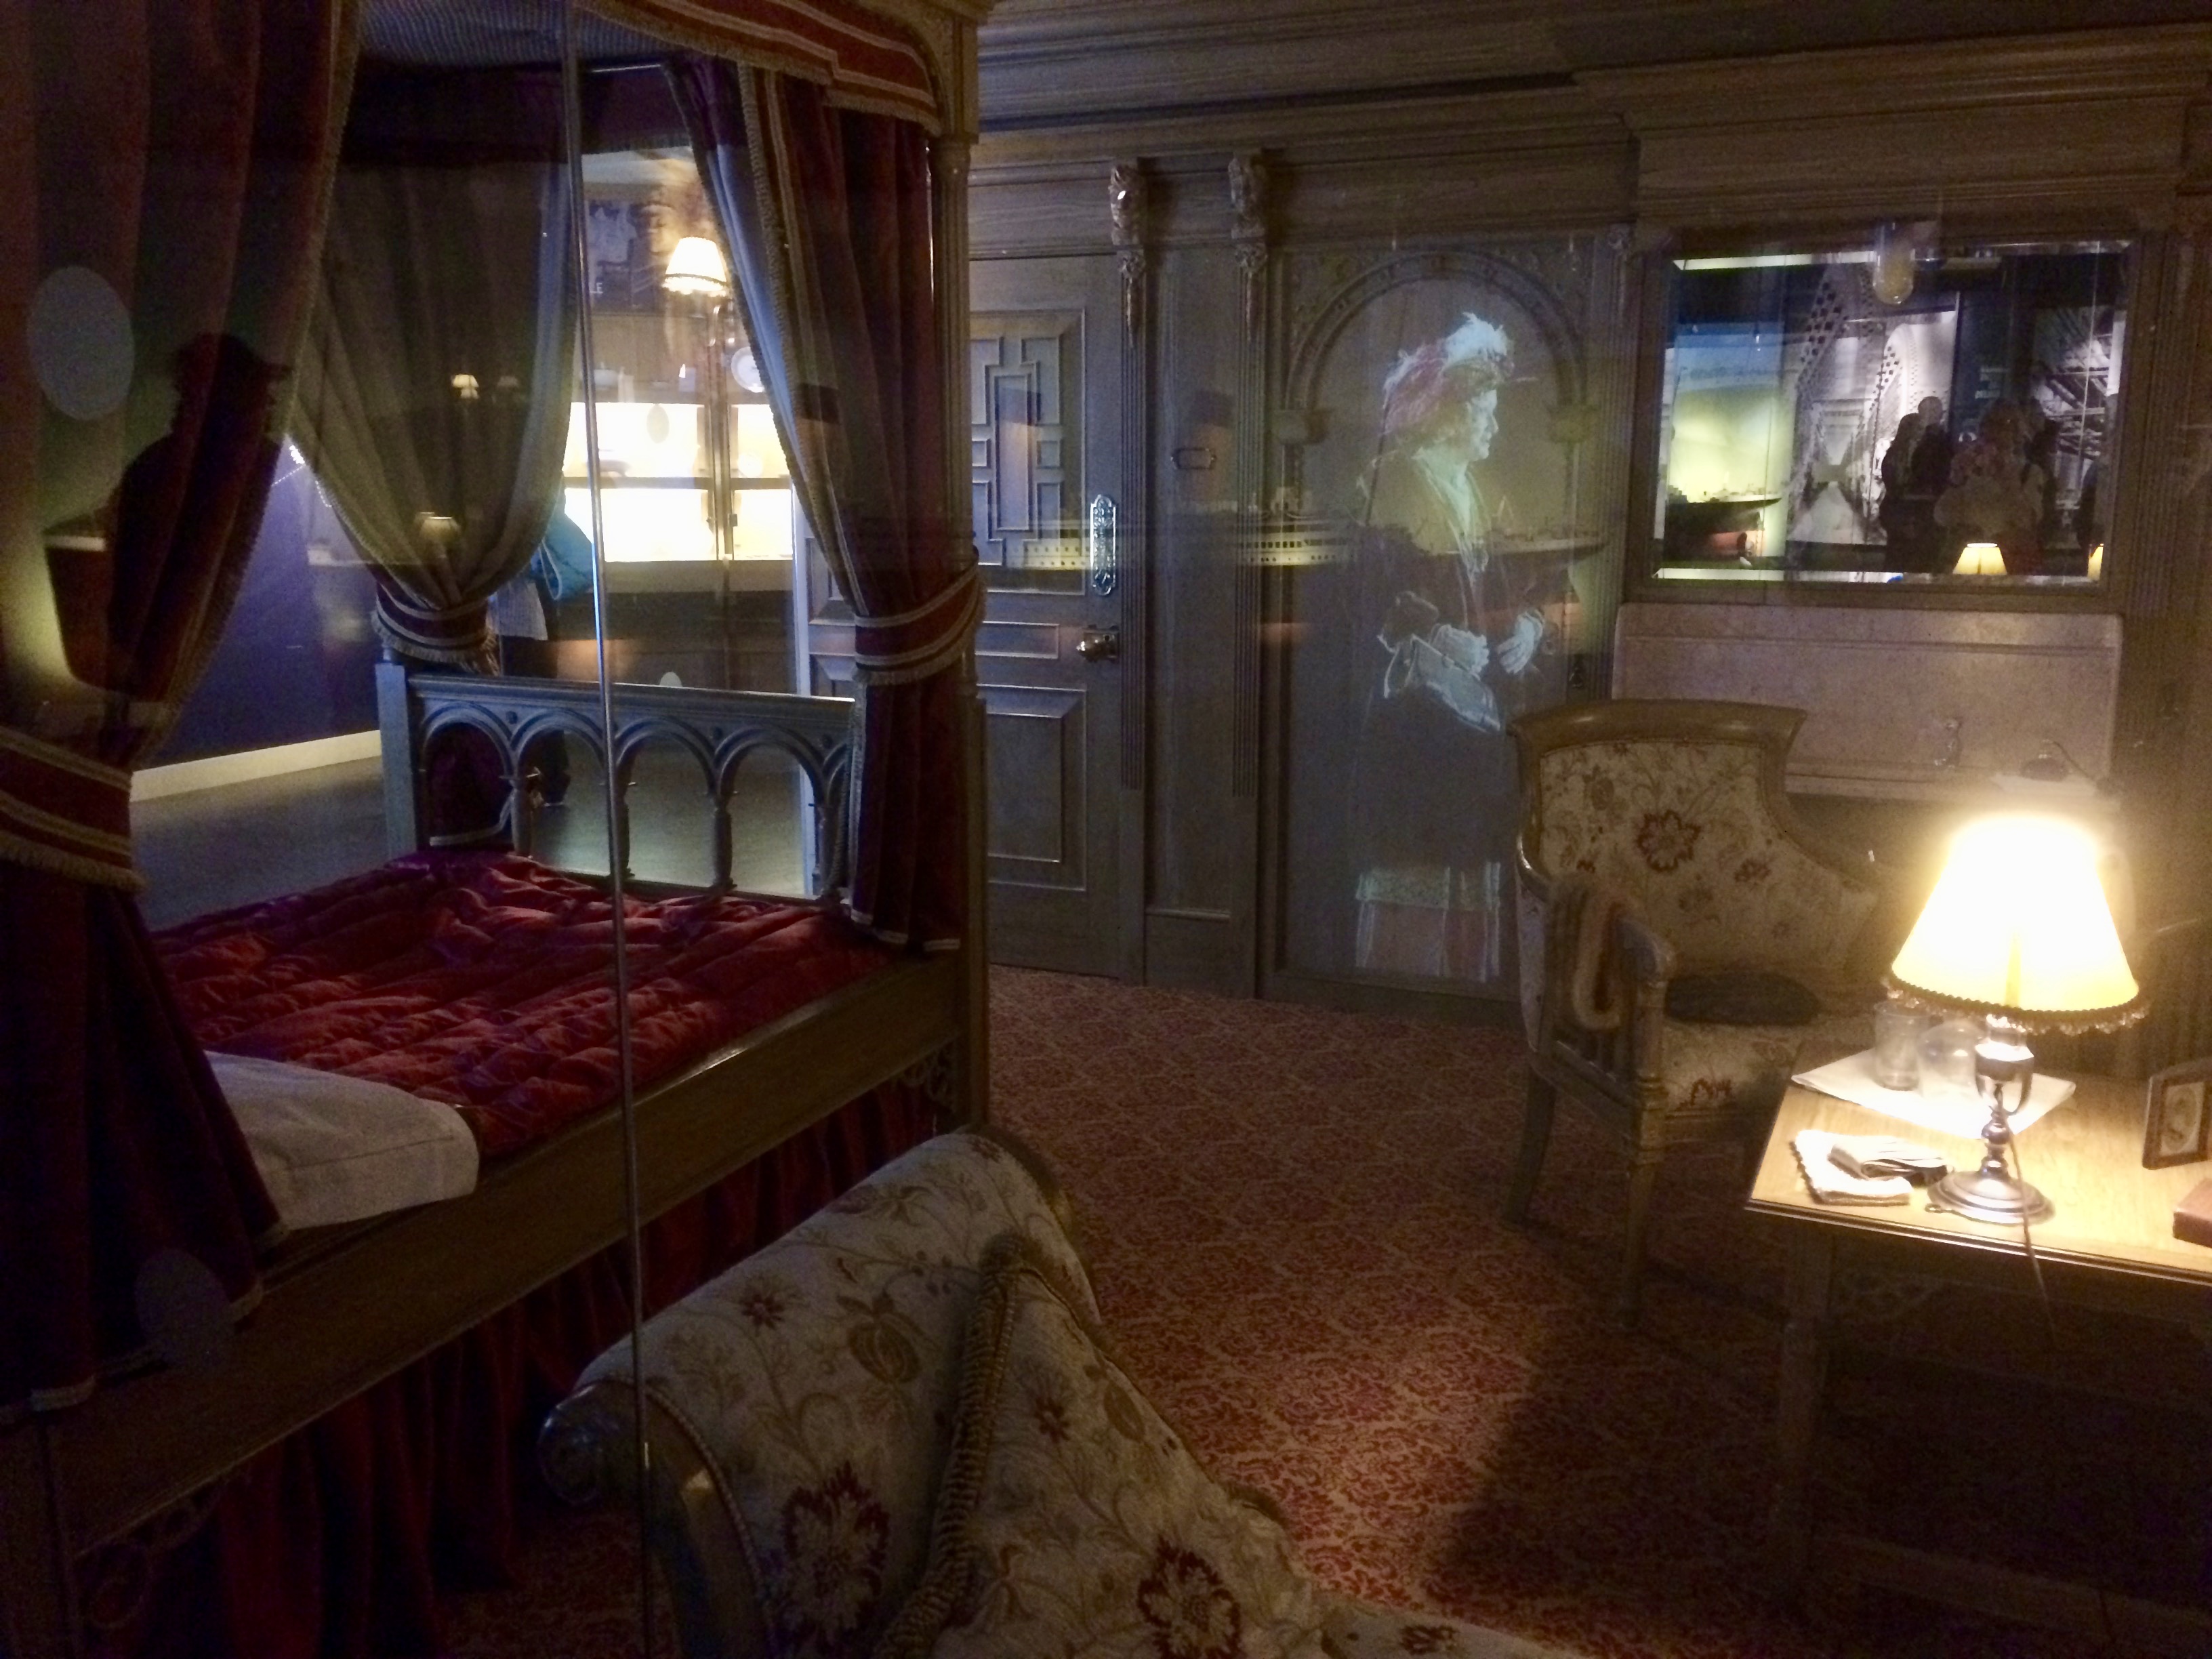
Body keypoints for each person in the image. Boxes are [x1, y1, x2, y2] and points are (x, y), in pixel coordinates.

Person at [1347, 312, 1557, 985]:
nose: (1494, 426)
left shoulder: (1486, 491)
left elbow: (1540, 577)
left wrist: (1531, 625)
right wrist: (1431, 634)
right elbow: (1360, 593)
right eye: (1485, 411)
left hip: (1480, 719)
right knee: (1420, 845)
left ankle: (1464, 989)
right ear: (1447, 415)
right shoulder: (1391, 482)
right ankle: (1402, 986)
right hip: (1413, 725)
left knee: (1472, 844)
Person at [1935, 398, 2047, 574]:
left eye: (2005, 426)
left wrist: (2009, 481)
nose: (1997, 432)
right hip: (1967, 561)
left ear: (2017, 434)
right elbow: (1942, 517)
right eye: (1990, 424)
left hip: (2010, 563)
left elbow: (2027, 521)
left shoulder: (2029, 473)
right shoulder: (1969, 469)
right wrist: (1957, 481)